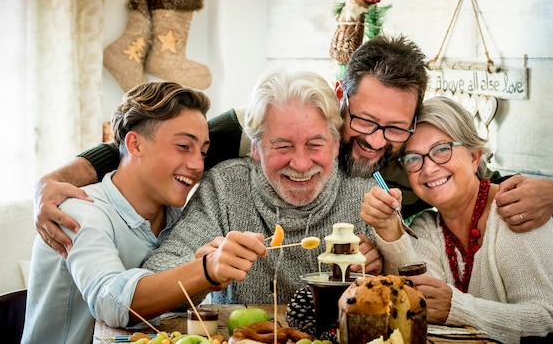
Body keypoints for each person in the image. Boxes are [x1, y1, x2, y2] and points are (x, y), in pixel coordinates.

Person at [34, 34, 553, 259]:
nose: (376, 141)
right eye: (364, 122)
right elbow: (148, 143)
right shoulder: (254, 128)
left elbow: (478, 182)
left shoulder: (412, 152)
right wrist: (54, 181)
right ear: (341, 102)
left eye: (394, 129)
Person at [21, 82, 266, 343]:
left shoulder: (176, 215)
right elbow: (111, 304)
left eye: (204, 152)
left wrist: (203, 273)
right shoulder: (80, 212)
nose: (197, 165)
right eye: (183, 146)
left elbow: (269, 125)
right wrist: (205, 269)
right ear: (135, 145)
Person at [360, 96, 553, 343]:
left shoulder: (517, 210)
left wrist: (457, 307)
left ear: (474, 157)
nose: (428, 169)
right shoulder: (427, 228)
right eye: (414, 158)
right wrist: (388, 230)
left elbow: (546, 324)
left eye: (442, 149)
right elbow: (420, 305)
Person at [141, 70, 380, 306]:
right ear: (256, 148)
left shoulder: (365, 193)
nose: (300, 163)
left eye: (315, 145)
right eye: (282, 146)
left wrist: (381, 267)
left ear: (336, 145)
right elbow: (155, 275)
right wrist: (205, 271)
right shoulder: (225, 188)